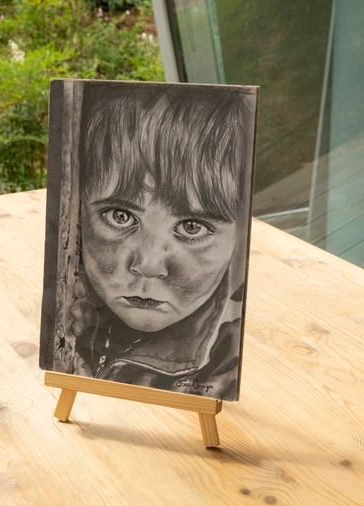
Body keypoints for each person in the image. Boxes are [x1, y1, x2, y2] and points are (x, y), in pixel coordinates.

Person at [68, 82, 255, 401]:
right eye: (120, 215)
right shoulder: (70, 311)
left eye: (193, 226)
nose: (150, 265)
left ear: (238, 239)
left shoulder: (227, 362)